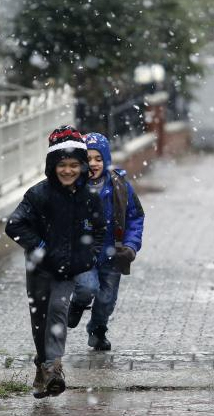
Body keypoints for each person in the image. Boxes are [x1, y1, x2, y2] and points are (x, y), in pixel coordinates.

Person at [5, 125, 105, 398]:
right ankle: (43, 365)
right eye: (63, 164)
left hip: (69, 270)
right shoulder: (39, 195)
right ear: (53, 165)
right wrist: (40, 246)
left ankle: (54, 369)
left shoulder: (88, 198)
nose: (69, 171)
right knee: (40, 320)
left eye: (75, 165)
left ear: (82, 167)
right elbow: (14, 225)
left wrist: (92, 254)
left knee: (57, 314)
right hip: (40, 269)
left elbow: (99, 229)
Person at [68, 132, 145, 351]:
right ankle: (76, 305)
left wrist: (131, 245)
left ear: (106, 160)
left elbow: (135, 217)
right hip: (83, 254)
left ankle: (97, 330)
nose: (93, 164)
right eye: (88, 159)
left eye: (98, 159)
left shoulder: (120, 185)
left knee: (106, 300)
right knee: (87, 286)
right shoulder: (74, 187)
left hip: (113, 255)